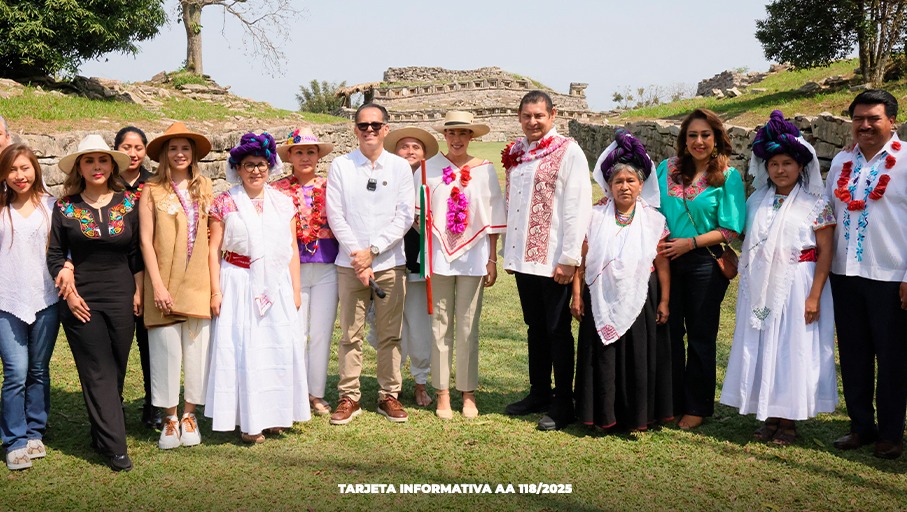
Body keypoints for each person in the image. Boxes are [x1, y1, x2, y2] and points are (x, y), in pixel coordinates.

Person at [720, 111, 838, 445]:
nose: (780, 170)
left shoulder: (816, 203)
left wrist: (814, 295)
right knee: (762, 343)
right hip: (759, 285)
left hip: (798, 281)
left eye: (787, 163)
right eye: (774, 164)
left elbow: (826, 251)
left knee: (792, 346)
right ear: (765, 168)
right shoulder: (756, 200)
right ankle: (767, 413)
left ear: (800, 165)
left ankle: (788, 419)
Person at [46, 135, 142, 471]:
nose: (97, 167)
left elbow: (136, 254)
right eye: (89, 161)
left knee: (115, 369)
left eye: (102, 160)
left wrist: (138, 290)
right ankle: (116, 448)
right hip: (81, 299)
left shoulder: (129, 203)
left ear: (112, 165)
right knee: (97, 370)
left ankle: (101, 433)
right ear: (79, 168)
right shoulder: (65, 207)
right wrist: (69, 294)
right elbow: (55, 254)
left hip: (121, 295)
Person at [206, 132, 309, 443]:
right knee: (245, 348)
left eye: (261, 164)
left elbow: (291, 247)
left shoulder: (283, 201)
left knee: (276, 347)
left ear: (270, 166)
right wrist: (215, 291)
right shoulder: (225, 201)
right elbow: (213, 249)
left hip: (275, 282)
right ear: (237, 168)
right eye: (248, 165)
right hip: (237, 280)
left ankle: (277, 414)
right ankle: (248, 421)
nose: (255, 171)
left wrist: (294, 289)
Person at [502, 91, 592, 431]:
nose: (533, 122)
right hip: (524, 259)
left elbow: (578, 206)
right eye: (527, 116)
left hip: (554, 259)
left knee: (557, 331)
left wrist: (569, 258)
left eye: (539, 115)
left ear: (553, 115)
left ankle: (562, 401)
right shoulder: (516, 152)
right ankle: (538, 392)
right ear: (519, 117)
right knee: (535, 328)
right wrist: (510, 252)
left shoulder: (569, 151)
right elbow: (515, 204)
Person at [571, 130, 671, 432]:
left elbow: (662, 262)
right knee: (601, 356)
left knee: (636, 356)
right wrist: (577, 295)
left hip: (640, 295)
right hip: (599, 294)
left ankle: (635, 416)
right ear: (609, 186)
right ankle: (601, 415)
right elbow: (581, 261)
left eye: (631, 181)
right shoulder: (594, 216)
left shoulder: (654, 220)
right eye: (618, 181)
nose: (624, 186)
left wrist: (665, 299)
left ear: (641, 186)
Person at [826, 90, 907, 459]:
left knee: (892, 357)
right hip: (844, 273)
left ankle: (890, 433)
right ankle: (861, 426)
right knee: (855, 354)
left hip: (891, 276)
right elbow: (826, 212)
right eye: (858, 118)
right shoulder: (842, 160)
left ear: (892, 120)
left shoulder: (905, 161)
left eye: (873, 118)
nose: (865, 125)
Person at [655, 108, 745, 430]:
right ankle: (671, 401)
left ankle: (697, 406)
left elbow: (731, 228)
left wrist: (689, 243)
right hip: (666, 260)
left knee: (700, 336)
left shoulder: (727, 177)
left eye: (705, 135)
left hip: (704, 262)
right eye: (692, 135)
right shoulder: (667, 168)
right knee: (668, 333)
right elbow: (649, 206)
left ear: (716, 138)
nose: (699, 141)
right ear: (684, 139)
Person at [325, 103, 415, 425]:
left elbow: (404, 216)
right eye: (363, 126)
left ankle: (389, 394)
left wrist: (373, 251)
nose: (370, 131)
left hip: (390, 263)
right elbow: (335, 215)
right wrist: (359, 256)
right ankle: (349, 397)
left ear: (386, 129)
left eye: (376, 125)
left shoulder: (399, 168)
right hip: (350, 265)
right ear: (355, 129)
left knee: (391, 335)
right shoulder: (341, 166)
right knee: (351, 334)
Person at [421, 111, 506, 419]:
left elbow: (494, 216)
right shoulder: (428, 169)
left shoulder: (484, 170)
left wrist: (492, 258)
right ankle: (442, 391)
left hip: (474, 257)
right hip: (439, 257)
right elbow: (420, 215)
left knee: (469, 324)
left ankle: (467, 392)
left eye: (463, 133)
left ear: (472, 137)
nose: (457, 139)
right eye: (452, 133)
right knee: (440, 322)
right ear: (445, 135)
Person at [140, 122, 213, 449]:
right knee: (165, 353)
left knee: (197, 355)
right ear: (164, 155)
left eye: (185, 148)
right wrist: (156, 285)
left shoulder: (206, 187)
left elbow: (214, 238)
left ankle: (189, 415)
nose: (179, 153)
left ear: (193, 153)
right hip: (164, 285)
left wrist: (215, 288)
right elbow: (145, 241)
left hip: (198, 283)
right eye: (173, 148)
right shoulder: (151, 191)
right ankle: (169, 417)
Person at [0, 144, 59, 470]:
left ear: (35, 169)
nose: (19, 176)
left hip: (45, 300)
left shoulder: (51, 206)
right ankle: (14, 440)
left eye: (25, 168)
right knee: (16, 372)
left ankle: (36, 430)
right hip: (6, 301)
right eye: (12, 170)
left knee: (38, 370)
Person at [272, 127, 337, 417]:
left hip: (327, 267)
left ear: (319, 156)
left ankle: (316, 392)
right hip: (291, 268)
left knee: (321, 333)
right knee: (295, 332)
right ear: (290, 157)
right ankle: (293, 391)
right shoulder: (277, 190)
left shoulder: (331, 186)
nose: (305, 157)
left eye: (311, 151)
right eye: (299, 152)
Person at [382, 126, 438, 407]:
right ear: (395, 151)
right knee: (391, 326)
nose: (410, 151)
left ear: (424, 153)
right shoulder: (385, 178)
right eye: (404, 146)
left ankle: (420, 381)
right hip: (389, 261)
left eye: (416, 147)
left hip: (418, 263)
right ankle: (392, 383)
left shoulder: (433, 182)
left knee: (418, 326)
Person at [113, 125, 161, 430]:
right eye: (126, 147)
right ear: (116, 148)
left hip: (150, 270)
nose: (132, 153)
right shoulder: (106, 181)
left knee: (150, 344)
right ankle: (111, 405)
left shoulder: (155, 184)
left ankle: (154, 403)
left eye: (138, 148)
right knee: (115, 345)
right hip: (115, 272)